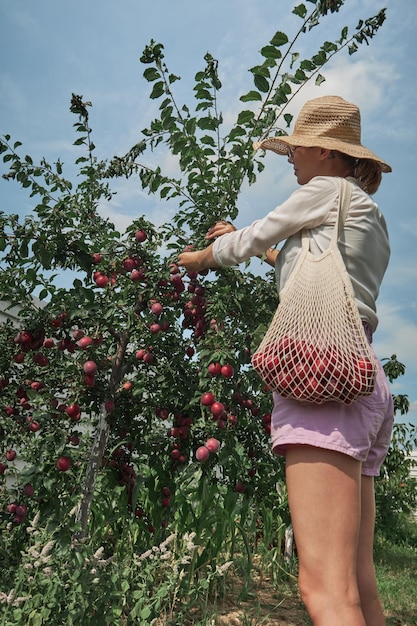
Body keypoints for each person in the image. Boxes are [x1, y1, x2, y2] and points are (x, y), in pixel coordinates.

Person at [178, 95, 394, 625]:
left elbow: (261, 232)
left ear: (323, 151)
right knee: (357, 583)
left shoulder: (324, 190)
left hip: (321, 374)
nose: (290, 160)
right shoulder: (363, 213)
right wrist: (256, 249)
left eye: (295, 150)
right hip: (361, 376)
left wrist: (204, 257)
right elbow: (301, 257)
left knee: (323, 587)